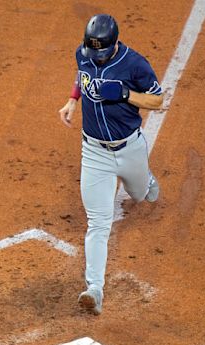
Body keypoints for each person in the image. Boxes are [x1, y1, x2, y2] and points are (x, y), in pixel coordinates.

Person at [59, 14, 163, 315]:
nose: (97, 57)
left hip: (129, 148)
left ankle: (146, 181)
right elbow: (82, 74)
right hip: (93, 153)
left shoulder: (135, 64)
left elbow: (157, 100)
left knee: (142, 194)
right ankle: (95, 288)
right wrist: (72, 100)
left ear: (115, 43)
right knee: (98, 223)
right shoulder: (83, 53)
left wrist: (126, 94)